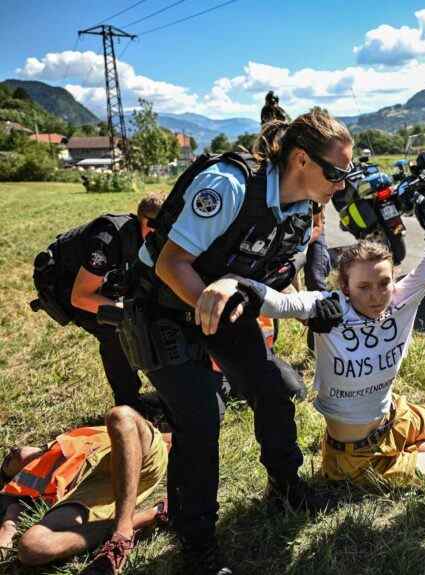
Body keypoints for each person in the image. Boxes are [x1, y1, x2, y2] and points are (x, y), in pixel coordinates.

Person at [134, 108, 353, 574]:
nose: (341, 183)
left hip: (222, 306)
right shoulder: (229, 185)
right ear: (300, 160)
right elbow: (171, 264)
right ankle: (195, 544)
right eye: (335, 172)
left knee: (273, 389)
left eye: (346, 172)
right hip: (164, 306)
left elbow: (273, 278)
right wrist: (212, 300)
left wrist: (306, 312)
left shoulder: (302, 209)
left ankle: (285, 485)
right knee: (201, 418)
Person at [195, 239, 425, 486]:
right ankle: (408, 454)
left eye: (384, 283)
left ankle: (411, 446)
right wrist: (233, 282)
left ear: (394, 278)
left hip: (398, 417)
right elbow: (280, 304)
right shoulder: (328, 308)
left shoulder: (401, 297)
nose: (376, 296)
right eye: (363, 287)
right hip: (355, 455)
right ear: (345, 286)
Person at [30, 194, 165, 414]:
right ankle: (128, 405)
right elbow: (81, 296)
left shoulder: (146, 237)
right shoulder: (107, 239)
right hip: (65, 285)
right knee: (116, 328)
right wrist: (126, 313)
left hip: (101, 281)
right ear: (150, 228)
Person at [0, 406, 168, 574]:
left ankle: (122, 532)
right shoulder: (23, 485)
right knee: (31, 547)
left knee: (121, 416)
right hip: (94, 489)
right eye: (8, 461)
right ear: (14, 475)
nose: (12, 451)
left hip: (136, 451)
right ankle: (153, 514)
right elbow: (9, 527)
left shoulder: (66, 439)